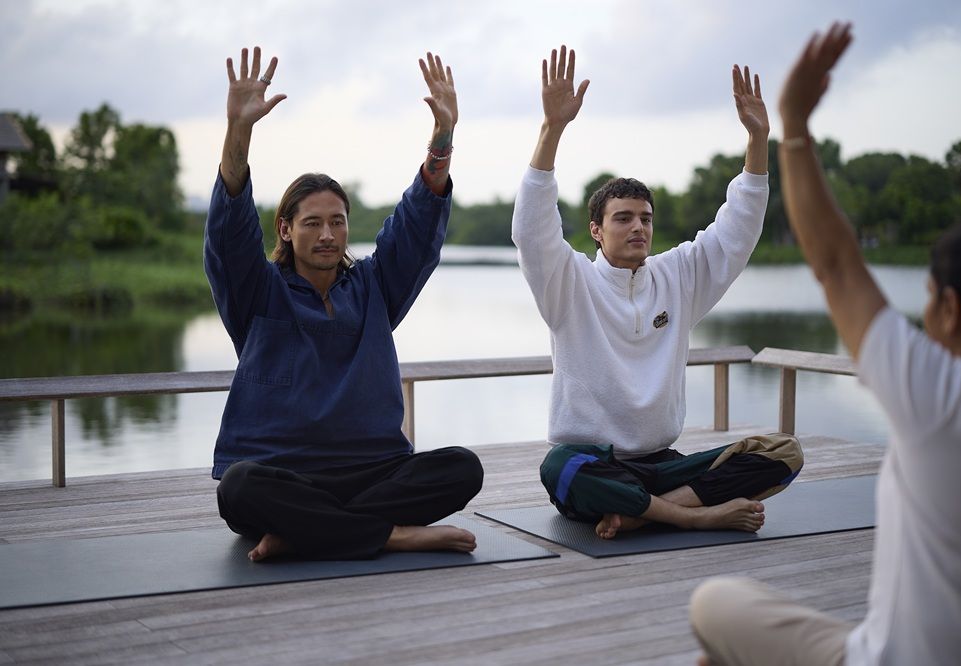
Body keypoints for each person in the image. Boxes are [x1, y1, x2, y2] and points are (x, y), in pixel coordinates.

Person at [689, 23, 961, 666]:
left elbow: (835, 264)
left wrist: (793, 127)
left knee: (715, 604)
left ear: (949, 307)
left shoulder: (945, 398)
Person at [512, 46, 803, 540]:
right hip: (595, 464)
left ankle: (638, 514)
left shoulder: (678, 276)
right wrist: (552, 129)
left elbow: (737, 230)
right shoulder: (569, 283)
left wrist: (757, 141)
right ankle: (693, 515)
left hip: (662, 465)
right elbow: (532, 228)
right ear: (597, 231)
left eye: (645, 218)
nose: (638, 227)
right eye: (623, 218)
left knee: (783, 453)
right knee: (558, 467)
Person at [205, 47, 483, 562]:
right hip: (283, 474)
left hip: (372, 472)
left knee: (463, 468)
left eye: (337, 221)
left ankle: (310, 532)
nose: (328, 234)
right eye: (312, 223)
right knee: (239, 489)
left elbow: (416, 227)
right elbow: (229, 233)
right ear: (285, 230)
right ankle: (389, 534)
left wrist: (442, 137)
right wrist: (237, 133)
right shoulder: (258, 290)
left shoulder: (374, 286)